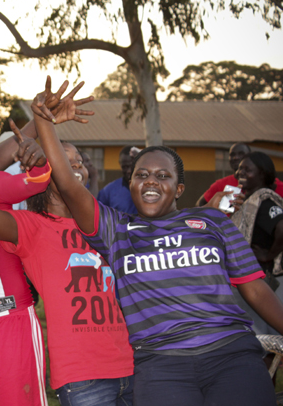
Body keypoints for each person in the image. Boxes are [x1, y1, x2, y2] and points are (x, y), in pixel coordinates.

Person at [33, 78, 283, 406]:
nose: (151, 180)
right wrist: (44, 122)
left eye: (163, 176)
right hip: (161, 364)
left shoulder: (212, 221)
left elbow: (254, 288)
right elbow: (66, 182)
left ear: (179, 189)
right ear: (131, 184)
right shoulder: (115, 229)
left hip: (231, 355)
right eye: (142, 175)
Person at [0, 87, 135, 406]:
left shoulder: (107, 220)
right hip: (82, 377)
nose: (75, 166)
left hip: (132, 366)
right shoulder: (31, 228)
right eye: (65, 160)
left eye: (79, 161)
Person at [230, 152, 283, 335]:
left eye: (247, 169)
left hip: (264, 283)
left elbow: (282, 228)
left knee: (264, 334)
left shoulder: (264, 201)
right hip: (252, 280)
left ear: (263, 173)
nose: (240, 172)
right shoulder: (249, 201)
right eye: (239, 168)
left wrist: (268, 255)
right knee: (262, 335)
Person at [197, 142, 283, 206]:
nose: (236, 157)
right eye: (232, 154)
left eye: (241, 154)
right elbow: (200, 205)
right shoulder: (224, 186)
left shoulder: (275, 187)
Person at [97, 146, 137, 214]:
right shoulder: (108, 192)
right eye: (124, 167)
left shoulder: (150, 188)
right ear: (120, 164)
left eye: (132, 166)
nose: (128, 171)